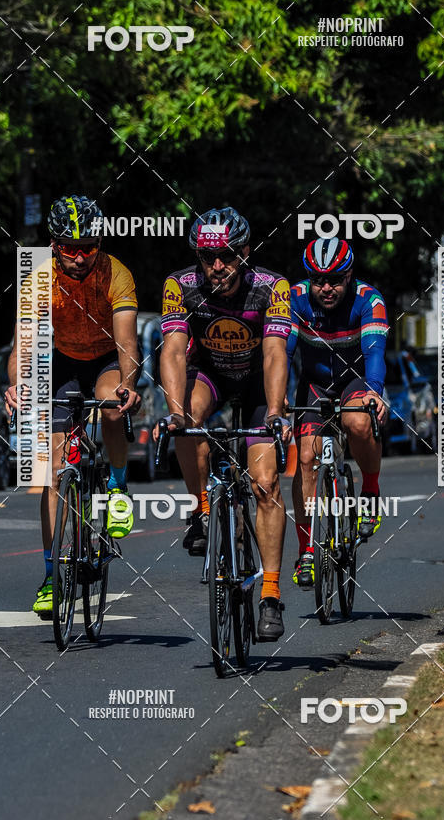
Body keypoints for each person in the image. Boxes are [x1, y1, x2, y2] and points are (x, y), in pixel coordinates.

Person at [154, 207, 292, 641]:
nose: (217, 266)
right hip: (210, 375)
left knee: (265, 484)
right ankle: (201, 509)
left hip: (257, 384)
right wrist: (175, 411)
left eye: (228, 256)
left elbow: (273, 352)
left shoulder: (272, 287)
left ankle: (270, 594)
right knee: (184, 422)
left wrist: (274, 411)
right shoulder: (180, 285)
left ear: (245, 253)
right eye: (208, 256)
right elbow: (174, 351)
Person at [4, 194, 141, 615]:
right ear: (53, 244)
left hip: (104, 359)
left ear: (99, 245)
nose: (80, 258)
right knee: (52, 468)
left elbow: (127, 345)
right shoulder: (39, 279)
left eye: (88, 248)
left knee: (111, 405)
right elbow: (21, 349)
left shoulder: (116, 273)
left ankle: (117, 489)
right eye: (69, 248)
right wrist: (16, 385)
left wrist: (129, 384)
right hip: (62, 361)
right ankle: (50, 576)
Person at [287, 238, 388, 589]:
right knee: (306, 458)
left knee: (358, 421)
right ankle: (306, 552)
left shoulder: (369, 300)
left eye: (335, 280)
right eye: (318, 280)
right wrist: (279, 404)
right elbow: (282, 356)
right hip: (314, 385)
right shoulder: (294, 298)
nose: (326, 288)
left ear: (350, 276)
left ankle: (371, 493)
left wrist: (374, 392)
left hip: (355, 381)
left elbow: (375, 351)